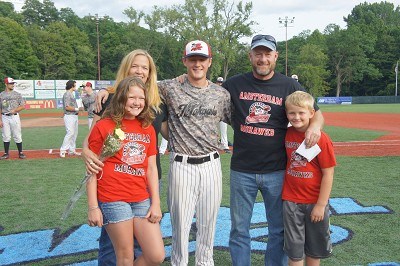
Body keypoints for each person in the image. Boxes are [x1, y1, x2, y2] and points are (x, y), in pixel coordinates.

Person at [223, 34, 324, 266]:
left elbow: (316, 112)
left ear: (275, 56)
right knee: (239, 229)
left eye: (267, 54)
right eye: (258, 53)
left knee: (278, 229)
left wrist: (315, 128)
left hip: (277, 170)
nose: (263, 58)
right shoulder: (235, 83)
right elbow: (208, 93)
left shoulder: (288, 84)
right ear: (250, 56)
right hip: (242, 170)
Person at [82, 49, 168, 264]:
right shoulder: (109, 102)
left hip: (144, 186)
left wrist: (156, 201)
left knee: (153, 253)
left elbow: (152, 161)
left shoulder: (156, 103)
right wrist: (93, 205)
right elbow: (93, 145)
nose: (140, 71)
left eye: (145, 67)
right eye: (135, 66)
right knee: (119, 251)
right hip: (113, 190)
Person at [158, 40, 231, 266]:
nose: (197, 64)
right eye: (193, 59)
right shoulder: (169, 87)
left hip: (211, 164)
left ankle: (204, 263)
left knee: (208, 223)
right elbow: (137, 84)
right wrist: (106, 89)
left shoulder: (221, 94)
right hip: (181, 164)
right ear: (185, 61)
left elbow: (239, 122)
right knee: (180, 224)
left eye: (202, 59)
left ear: (209, 62)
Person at [283, 91, 335, 265]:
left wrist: (321, 205)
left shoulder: (321, 139)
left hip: (314, 202)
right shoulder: (287, 134)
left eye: (301, 113)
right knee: (295, 252)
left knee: (314, 250)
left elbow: (328, 173)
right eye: (292, 113)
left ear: (312, 113)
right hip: (291, 201)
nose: (296, 117)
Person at [0, 77, 26, 159]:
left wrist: (15, 110)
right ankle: (6, 153)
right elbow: (0, 108)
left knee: (17, 135)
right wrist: (0, 120)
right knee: (6, 135)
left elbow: (22, 106)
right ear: (6, 84)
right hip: (4, 116)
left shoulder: (17, 94)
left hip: (14, 116)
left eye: (13, 83)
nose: (12, 85)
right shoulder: (1, 95)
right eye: (11, 83)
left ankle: (20, 152)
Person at [59, 80, 83, 158]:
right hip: (69, 116)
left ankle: (72, 150)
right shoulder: (67, 94)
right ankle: (63, 150)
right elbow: (67, 107)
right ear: (71, 86)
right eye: (75, 85)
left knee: (74, 133)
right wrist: (77, 109)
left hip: (74, 116)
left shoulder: (71, 94)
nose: (75, 87)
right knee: (70, 132)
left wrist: (77, 110)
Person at [215, 76, 231, 154]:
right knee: (212, 130)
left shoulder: (225, 92)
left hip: (222, 114)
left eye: (221, 82)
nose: (220, 84)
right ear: (216, 82)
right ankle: (213, 146)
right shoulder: (212, 91)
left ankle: (225, 146)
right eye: (219, 82)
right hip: (213, 114)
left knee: (224, 130)